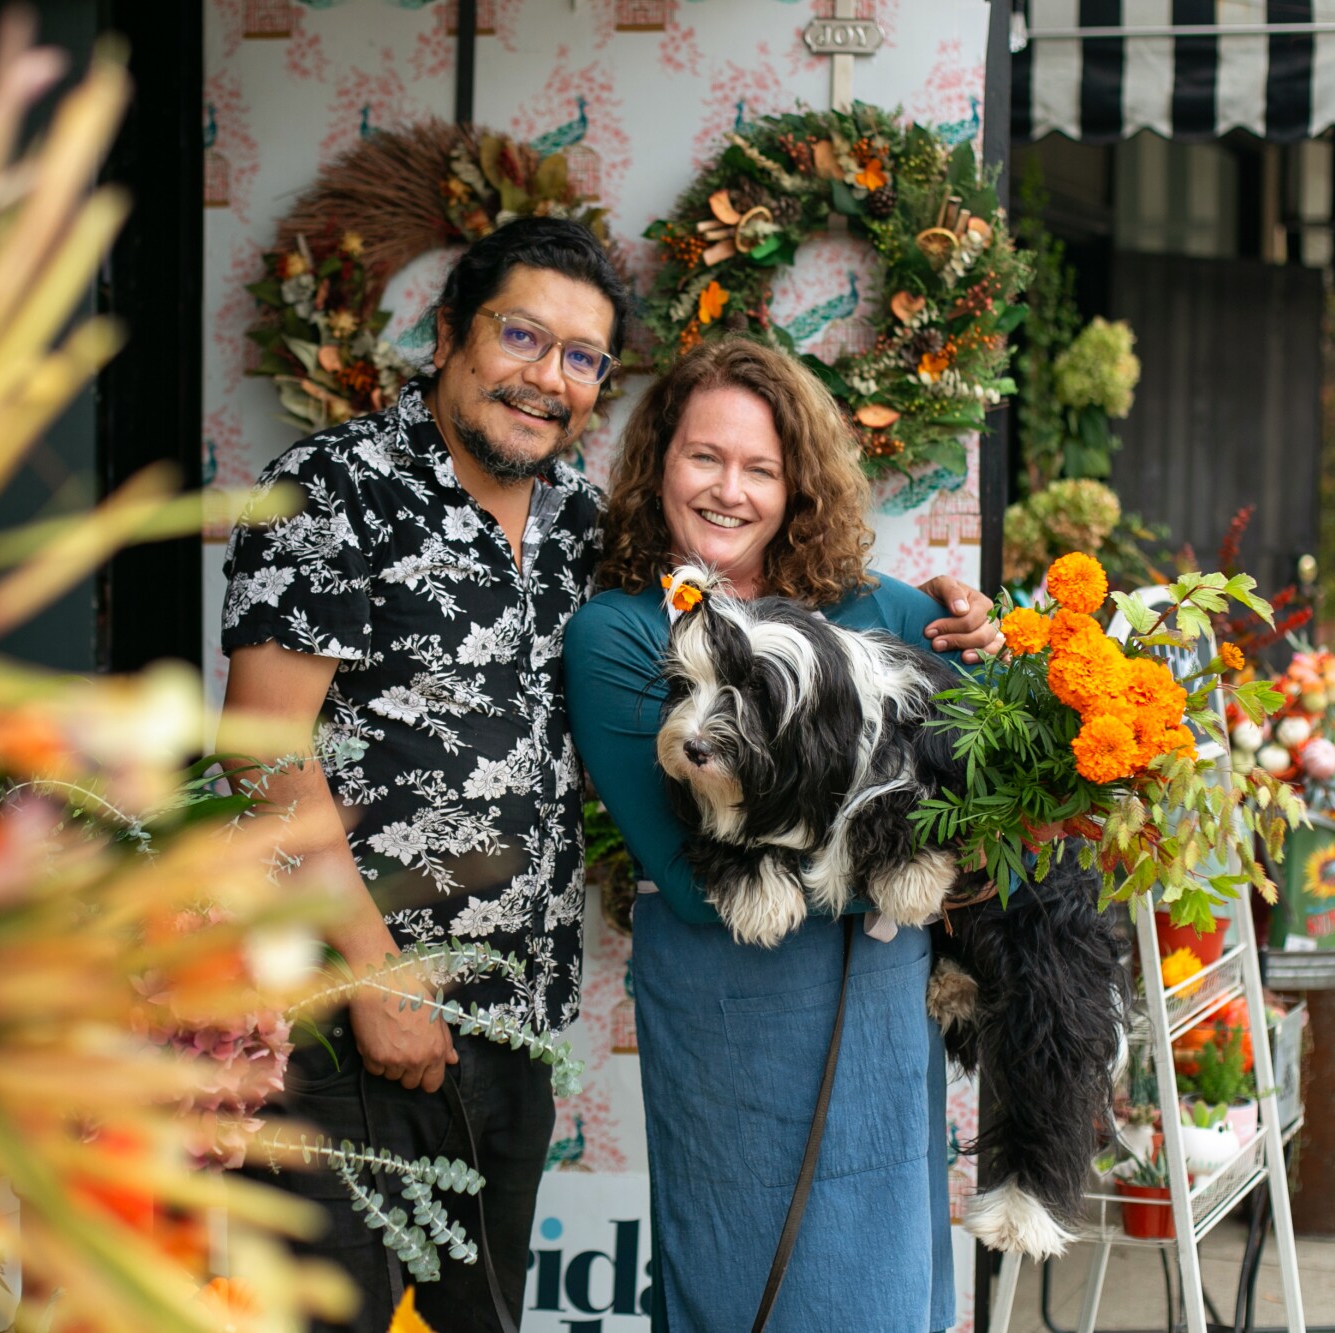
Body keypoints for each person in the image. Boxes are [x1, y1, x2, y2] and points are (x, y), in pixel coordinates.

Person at [221, 218, 995, 1332]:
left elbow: (766, 593)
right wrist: (370, 975)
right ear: (447, 334)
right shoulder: (332, 491)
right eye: (522, 337)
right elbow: (259, 749)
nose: (547, 378)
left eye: (580, 357)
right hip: (340, 1015)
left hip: (509, 1021)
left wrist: (951, 618)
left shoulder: (581, 522)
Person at [562, 337, 1000, 1332]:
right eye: (703, 457)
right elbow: (691, 873)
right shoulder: (622, 632)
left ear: (797, 484)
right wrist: (901, 868)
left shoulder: (878, 608)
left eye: (760, 467)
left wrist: (991, 632)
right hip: (730, 1009)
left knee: (882, 1285)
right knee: (742, 1278)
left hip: (879, 1013)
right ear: (657, 463)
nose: (729, 489)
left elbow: (978, 777)